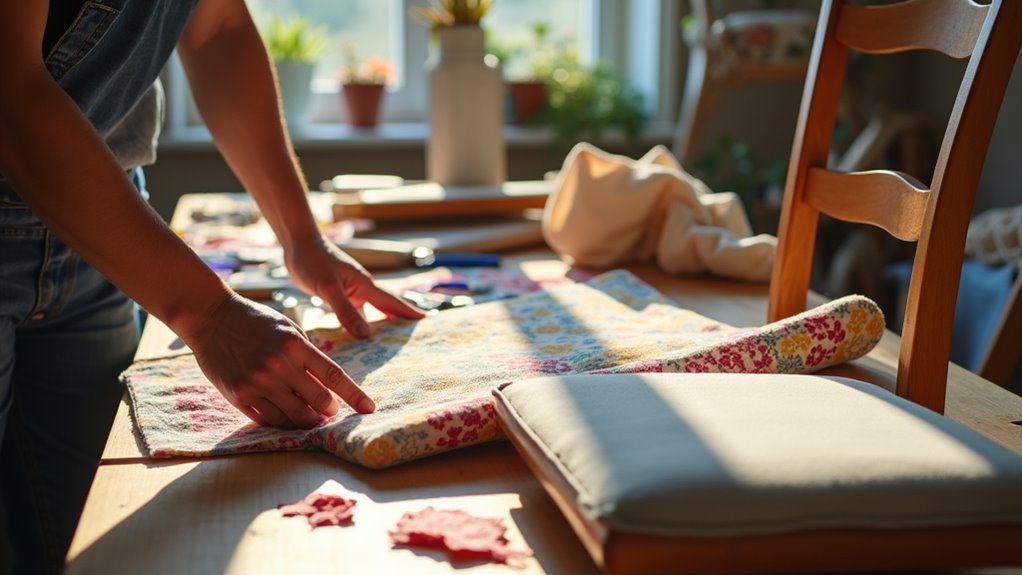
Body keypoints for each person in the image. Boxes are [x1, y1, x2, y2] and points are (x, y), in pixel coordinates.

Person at [0, 1, 423, 572]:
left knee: (87, 537)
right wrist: (211, 315)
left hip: (101, 234)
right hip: (87, 212)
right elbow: (11, 92)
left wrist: (301, 238)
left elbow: (218, 30)